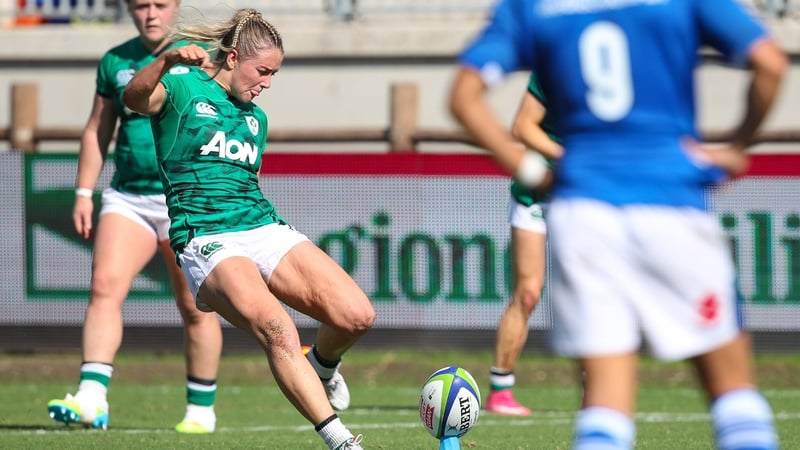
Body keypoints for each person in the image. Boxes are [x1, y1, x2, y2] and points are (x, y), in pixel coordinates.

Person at [450, 1, 787, 449]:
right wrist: (738, 143)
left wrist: (537, 172)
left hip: (583, 213)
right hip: (669, 201)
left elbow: (462, 98)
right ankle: (502, 385)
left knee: (604, 407)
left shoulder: (533, 6)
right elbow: (770, 64)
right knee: (734, 395)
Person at [121, 8, 375, 449]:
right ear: (234, 58)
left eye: (275, 74)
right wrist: (163, 63)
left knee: (356, 315)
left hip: (261, 226)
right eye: (263, 71)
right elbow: (134, 98)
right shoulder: (183, 88)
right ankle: (342, 442)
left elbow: (247, 184)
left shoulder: (256, 120)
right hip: (207, 237)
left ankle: (322, 367)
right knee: (278, 328)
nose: (267, 83)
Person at [47, 0, 224, 434]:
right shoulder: (116, 61)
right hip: (129, 197)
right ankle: (91, 398)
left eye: (160, 4)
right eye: (140, 5)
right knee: (104, 285)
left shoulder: (203, 56)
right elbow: (97, 128)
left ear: (177, 6)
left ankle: (201, 410)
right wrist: (84, 191)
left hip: (186, 200)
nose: (150, 13)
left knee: (196, 304)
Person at [486, 72, 562, 416]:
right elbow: (523, 126)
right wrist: (568, 156)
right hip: (537, 194)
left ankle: (600, 389)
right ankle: (500, 389)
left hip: (585, 195)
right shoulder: (554, 65)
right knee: (528, 292)